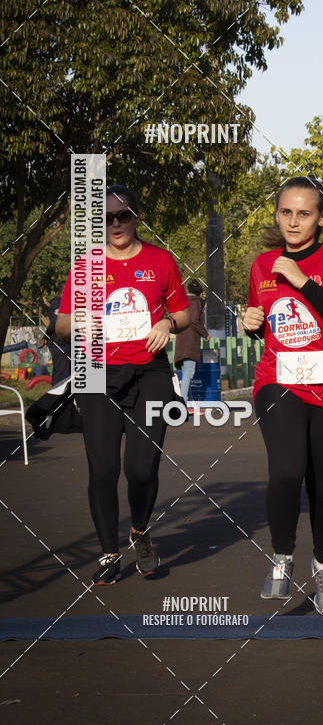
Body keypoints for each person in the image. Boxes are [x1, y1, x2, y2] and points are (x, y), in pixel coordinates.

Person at [56, 185, 190, 584]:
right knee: (104, 469)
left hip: (150, 372)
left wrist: (167, 322)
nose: (115, 224)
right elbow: (60, 323)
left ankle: (140, 532)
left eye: (123, 216)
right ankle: (108, 553)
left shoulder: (160, 260)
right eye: (107, 218)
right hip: (96, 374)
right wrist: (80, 321)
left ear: (137, 216)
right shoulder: (86, 265)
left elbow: (182, 313)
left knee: (141, 468)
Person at [243, 176, 323, 616]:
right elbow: (269, 326)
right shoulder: (261, 265)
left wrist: (300, 279)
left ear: (321, 217)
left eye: (304, 213)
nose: (293, 222)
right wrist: (252, 323)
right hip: (279, 380)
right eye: (286, 212)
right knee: (286, 470)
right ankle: (281, 559)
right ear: (277, 214)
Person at [174, 280, 209, 409]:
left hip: (181, 340)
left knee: (185, 373)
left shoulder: (182, 301)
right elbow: (194, 320)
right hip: (190, 342)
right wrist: (205, 334)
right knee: (189, 372)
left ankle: (189, 402)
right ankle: (183, 404)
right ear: (200, 294)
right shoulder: (197, 302)